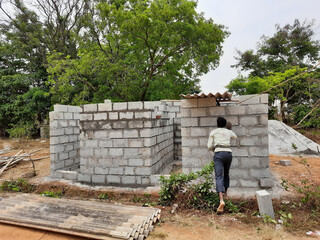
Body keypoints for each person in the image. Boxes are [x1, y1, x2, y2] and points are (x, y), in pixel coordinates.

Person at [207, 117, 237, 214]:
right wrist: (229, 129)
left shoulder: (214, 132)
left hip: (219, 154)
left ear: (217, 124)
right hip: (228, 154)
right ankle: (226, 193)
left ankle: (221, 200)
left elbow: (209, 146)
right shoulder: (229, 132)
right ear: (225, 124)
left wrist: (214, 150)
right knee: (226, 173)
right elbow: (235, 137)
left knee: (219, 176)